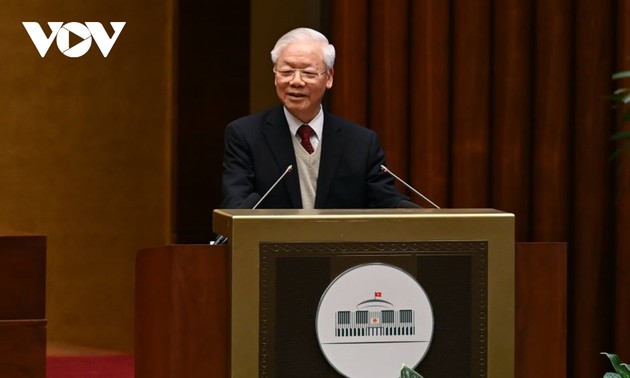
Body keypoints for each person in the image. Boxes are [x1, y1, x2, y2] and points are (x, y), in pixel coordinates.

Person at [220, 27, 416, 209]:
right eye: (286, 72)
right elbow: (236, 205)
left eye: (308, 73)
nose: (296, 81)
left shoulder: (361, 143)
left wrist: (424, 217)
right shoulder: (245, 135)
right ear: (275, 76)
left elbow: (387, 202)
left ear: (329, 77)